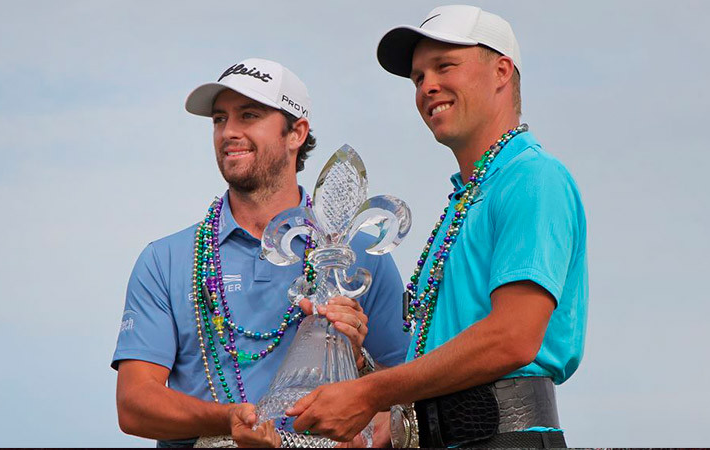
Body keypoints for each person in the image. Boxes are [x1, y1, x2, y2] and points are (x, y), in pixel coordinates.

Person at [286, 5, 588, 448]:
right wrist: (359, 367)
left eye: (445, 66)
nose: (428, 86)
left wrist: (367, 393)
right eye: (417, 77)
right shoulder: (470, 195)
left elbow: (513, 338)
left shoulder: (531, 177)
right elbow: (440, 360)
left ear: (502, 71)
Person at [111, 57, 409, 448]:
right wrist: (229, 420)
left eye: (248, 115)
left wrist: (357, 365)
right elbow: (134, 404)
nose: (228, 132)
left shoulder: (356, 252)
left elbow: (407, 394)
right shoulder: (166, 260)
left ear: (296, 133)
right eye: (219, 119)